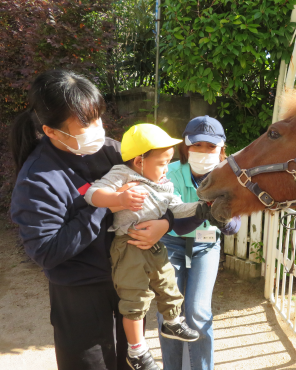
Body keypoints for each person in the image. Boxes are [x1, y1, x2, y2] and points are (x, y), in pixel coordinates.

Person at [9, 70, 172, 370]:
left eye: (98, 117)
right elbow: (46, 251)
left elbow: (161, 188)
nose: (98, 129)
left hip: (128, 281)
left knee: (132, 361)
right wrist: (106, 203)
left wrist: (166, 224)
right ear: (52, 131)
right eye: (85, 123)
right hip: (79, 295)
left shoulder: (112, 151)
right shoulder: (38, 180)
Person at [84, 123, 207, 370]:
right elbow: (92, 193)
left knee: (168, 283)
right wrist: (118, 198)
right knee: (135, 299)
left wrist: (203, 207)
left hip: (154, 246)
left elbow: (177, 208)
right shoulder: (123, 174)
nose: (165, 169)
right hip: (128, 247)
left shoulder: (164, 184)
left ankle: (172, 321)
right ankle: (136, 351)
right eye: (161, 163)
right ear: (140, 161)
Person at [156, 116, 241, 370]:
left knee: (197, 311)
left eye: (211, 147)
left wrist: (222, 220)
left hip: (206, 247)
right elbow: (173, 221)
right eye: (198, 145)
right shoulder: (168, 172)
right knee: (168, 312)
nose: (204, 151)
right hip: (171, 243)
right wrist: (205, 211)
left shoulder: (229, 176)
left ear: (221, 149)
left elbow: (234, 226)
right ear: (186, 146)